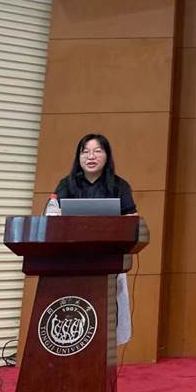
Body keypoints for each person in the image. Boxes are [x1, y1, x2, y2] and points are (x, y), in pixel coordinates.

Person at [53, 133, 136, 345]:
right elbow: (53, 218)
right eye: (85, 152)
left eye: (97, 151)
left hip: (108, 260)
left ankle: (105, 351)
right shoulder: (66, 185)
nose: (91, 156)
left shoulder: (119, 186)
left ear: (107, 156)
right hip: (71, 260)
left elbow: (132, 219)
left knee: (106, 316)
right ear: (78, 157)